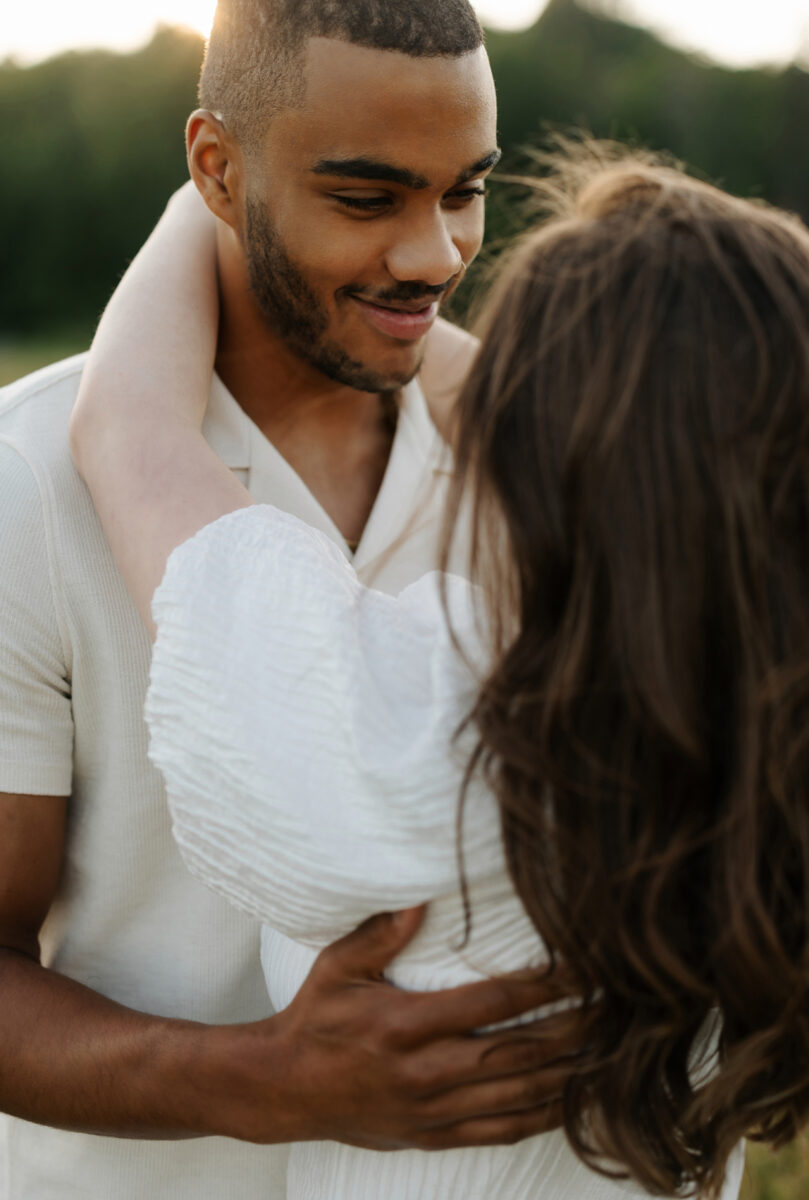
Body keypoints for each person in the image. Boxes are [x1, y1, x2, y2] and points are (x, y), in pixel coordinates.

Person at [72, 140, 809, 1196]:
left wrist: (224, 191)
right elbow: (599, 438)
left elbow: (129, 425)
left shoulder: (423, 737)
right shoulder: (765, 748)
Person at [0, 3, 577, 1196]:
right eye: (366, 200)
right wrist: (261, 1081)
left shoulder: (549, 467)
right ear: (216, 168)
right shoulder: (31, 479)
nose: (436, 255)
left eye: (465, 189)